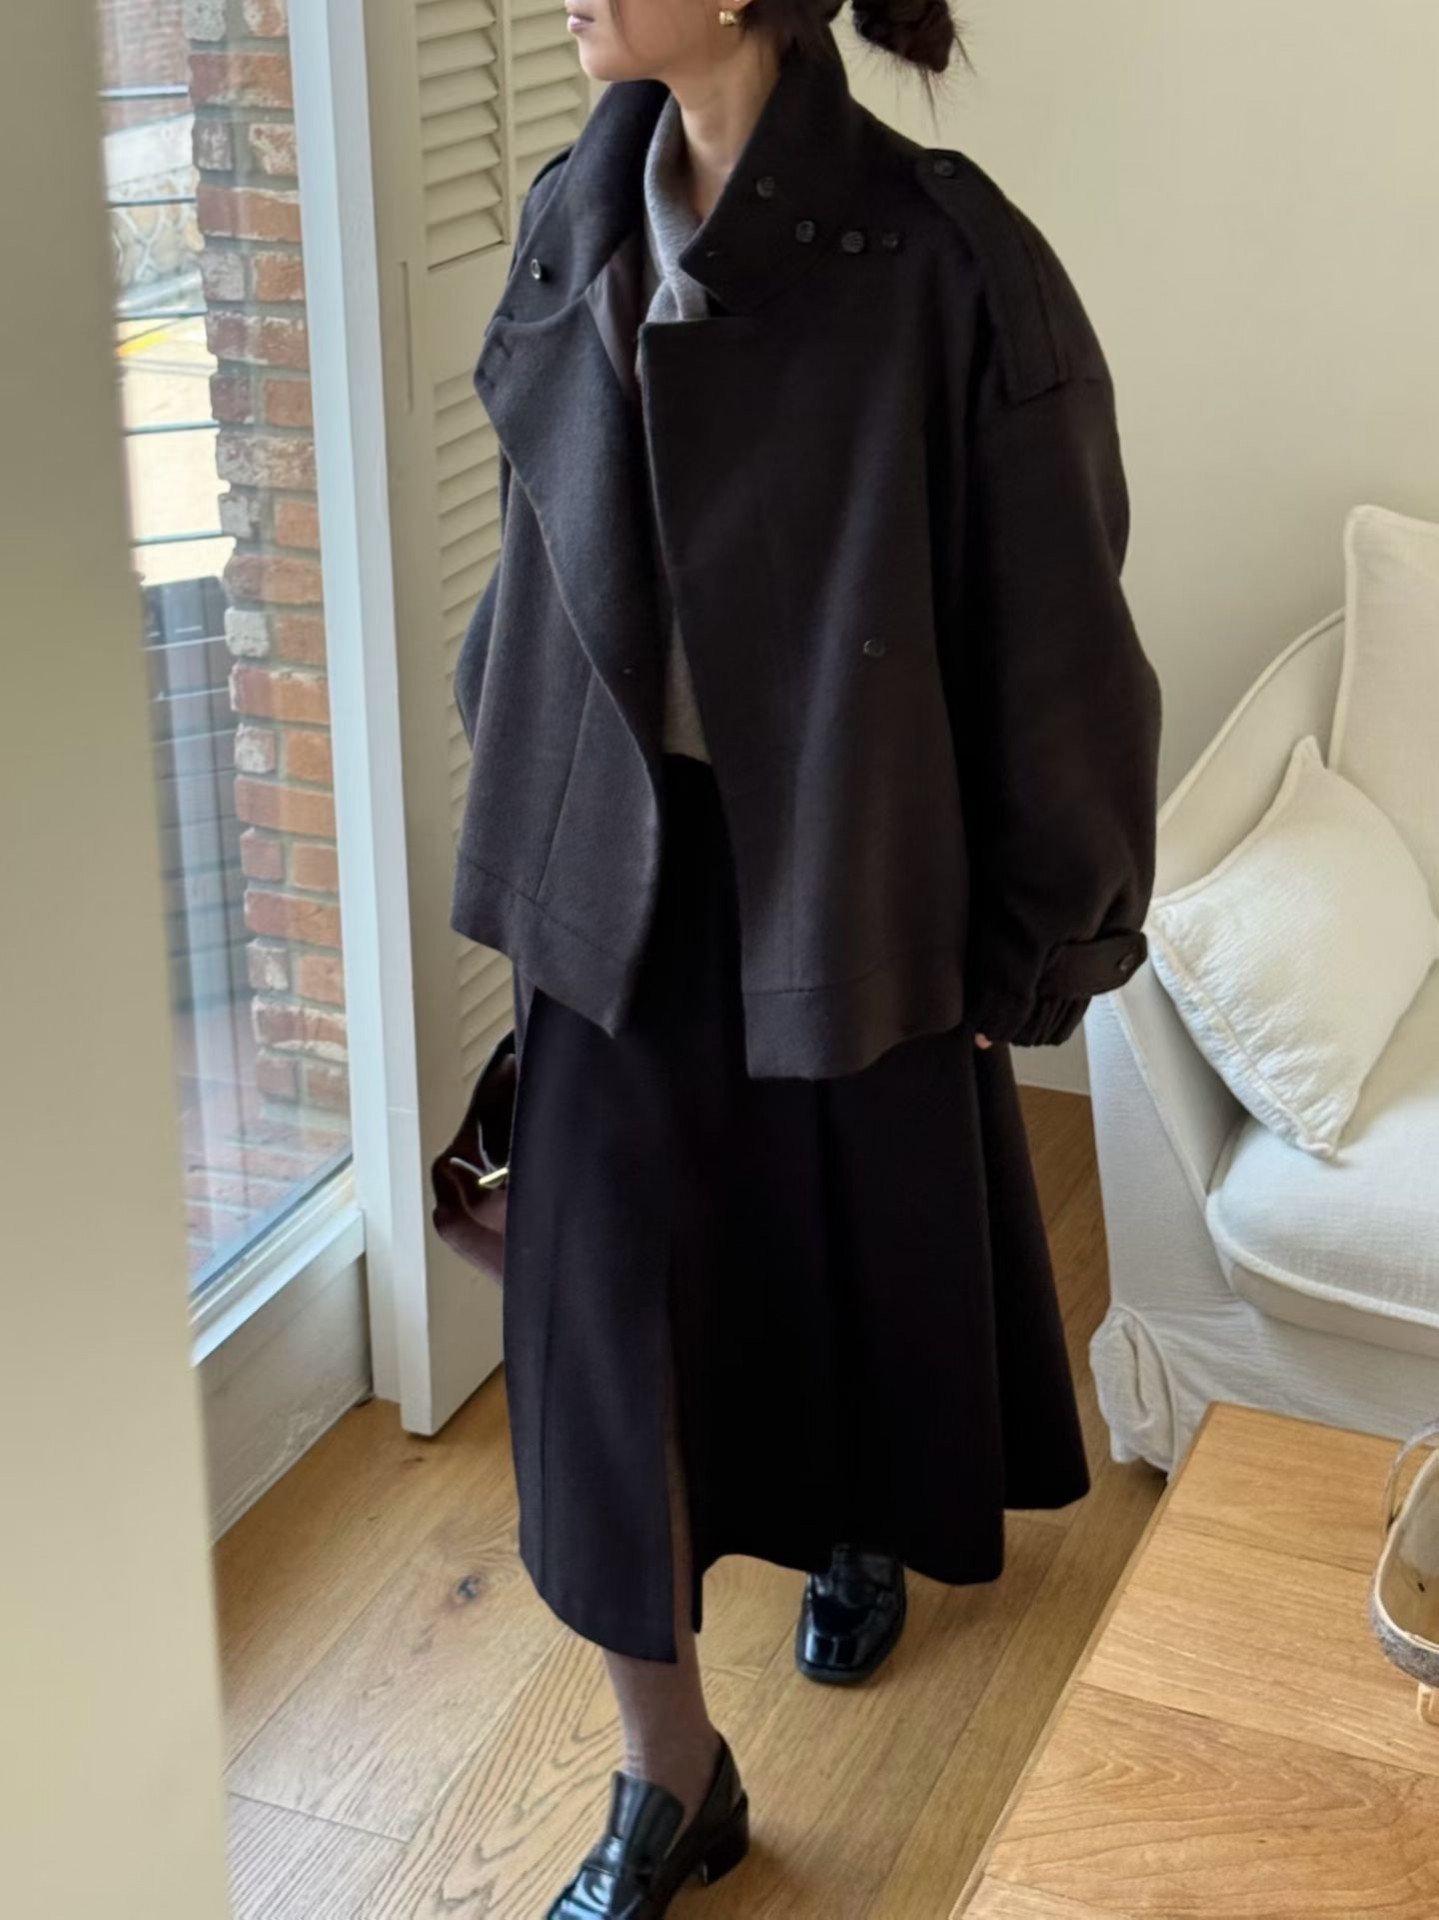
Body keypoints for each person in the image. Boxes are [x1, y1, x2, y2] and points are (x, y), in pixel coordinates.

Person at [448, 0, 1163, 1911]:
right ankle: (668, 1772)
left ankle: (855, 1524)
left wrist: (1039, 935)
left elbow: (1056, 632)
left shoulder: (945, 258)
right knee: (602, 1340)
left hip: (850, 868)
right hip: (613, 873)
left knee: (847, 1268)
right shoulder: (575, 209)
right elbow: (534, 545)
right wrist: (510, 748)